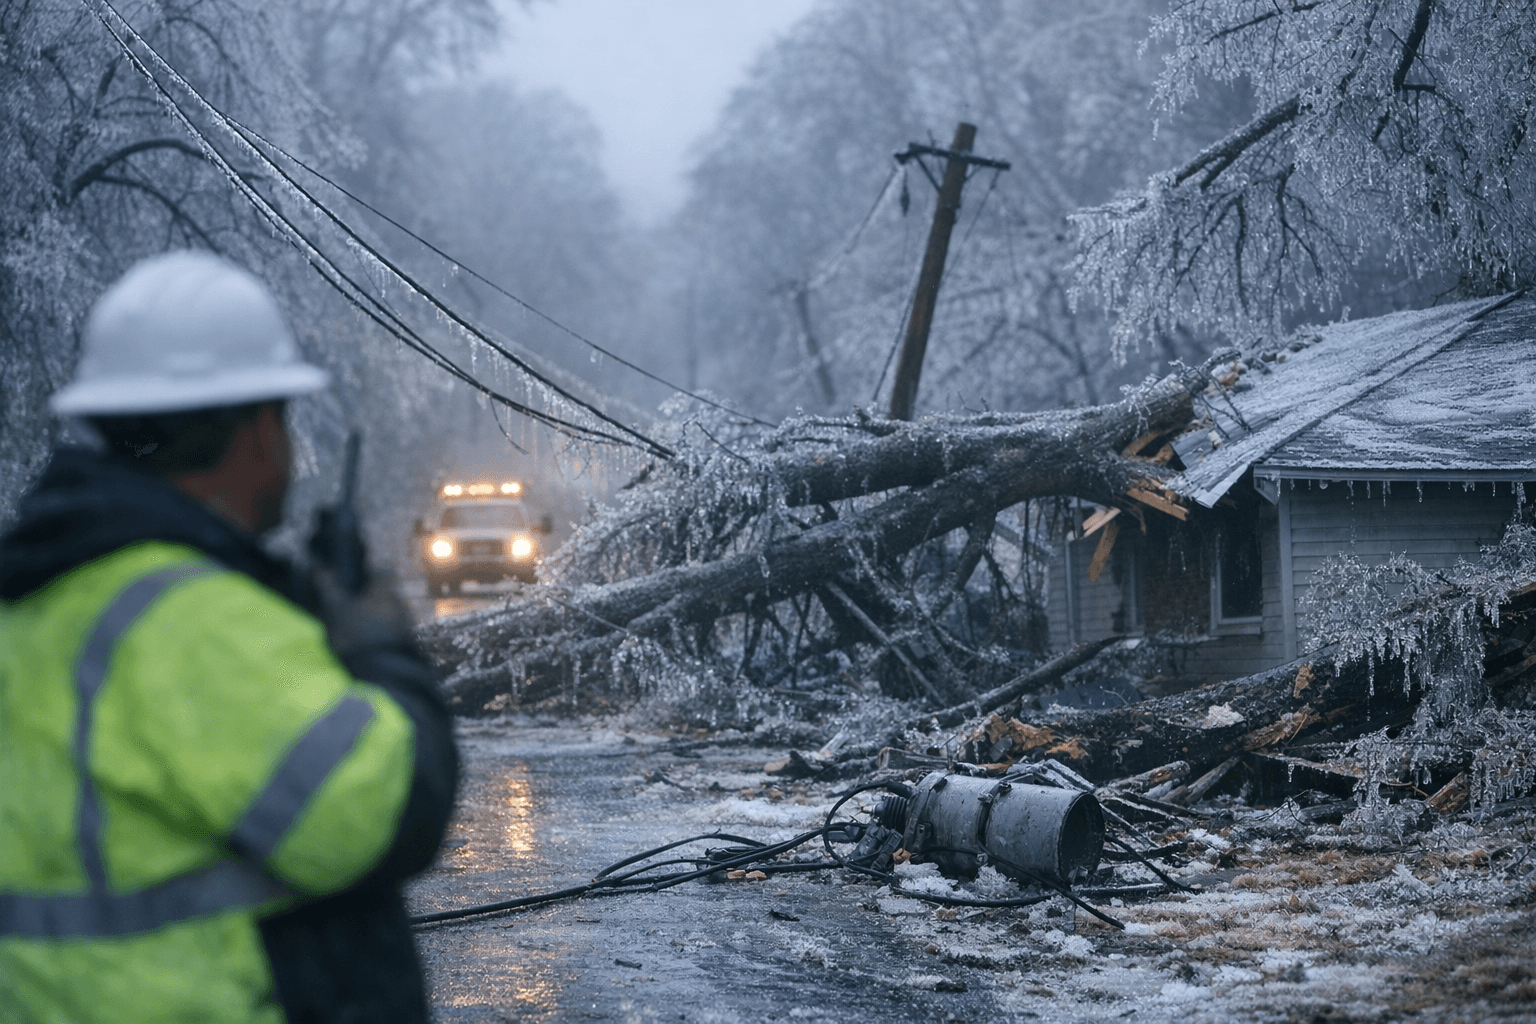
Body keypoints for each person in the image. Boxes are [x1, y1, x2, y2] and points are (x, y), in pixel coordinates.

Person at [0, 251, 458, 1023]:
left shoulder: (42, 594)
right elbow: (389, 811)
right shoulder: (190, 620)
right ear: (256, 429)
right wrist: (381, 652)